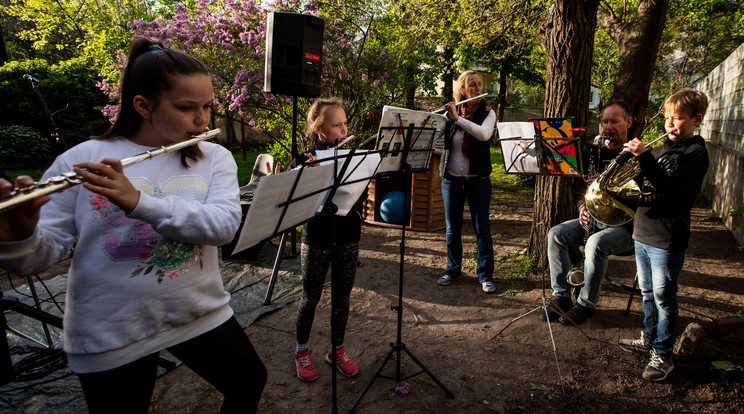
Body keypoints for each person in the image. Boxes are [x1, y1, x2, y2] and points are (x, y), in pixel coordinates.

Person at [0, 37, 267, 413]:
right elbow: (38, 257)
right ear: (143, 105)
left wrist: (141, 203)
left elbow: (223, 227)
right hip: (112, 325)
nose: (203, 119)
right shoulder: (83, 159)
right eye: (187, 107)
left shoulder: (213, 157)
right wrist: (19, 237)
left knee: (249, 380)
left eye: (207, 106)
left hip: (195, 310)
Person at [618, 89, 710, 381]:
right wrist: (622, 163)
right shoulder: (659, 150)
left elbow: (670, 191)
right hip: (643, 232)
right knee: (647, 293)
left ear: (696, 120)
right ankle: (649, 339)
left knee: (663, 298)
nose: (670, 124)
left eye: (678, 119)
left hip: (667, 238)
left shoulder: (695, 154)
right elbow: (640, 184)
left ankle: (664, 355)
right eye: (668, 118)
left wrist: (645, 157)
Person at [540, 101, 636, 325]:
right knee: (555, 234)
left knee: (594, 244)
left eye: (614, 121)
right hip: (592, 220)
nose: (608, 126)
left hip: (623, 226)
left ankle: (586, 304)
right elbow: (578, 188)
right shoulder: (592, 151)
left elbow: (637, 195)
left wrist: (607, 186)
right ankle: (562, 297)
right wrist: (583, 206)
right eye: (604, 121)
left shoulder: (635, 153)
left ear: (628, 122)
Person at [292, 98, 362, 382]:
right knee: (311, 297)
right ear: (319, 129)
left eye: (345, 124)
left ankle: (336, 349)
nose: (343, 131)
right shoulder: (304, 159)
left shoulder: (354, 156)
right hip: (318, 235)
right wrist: (306, 175)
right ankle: (302, 351)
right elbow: (295, 203)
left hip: (348, 232)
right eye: (336, 125)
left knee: (342, 298)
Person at [436, 70, 497, 293]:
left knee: (482, 228)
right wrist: (430, 121)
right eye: (472, 85)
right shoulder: (451, 114)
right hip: (451, 180)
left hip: (478, 181)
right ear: (462, 90)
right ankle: (452, 270)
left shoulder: (488, 113)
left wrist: (457, 119)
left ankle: (485, 275)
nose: (478, 89)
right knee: (453, 229)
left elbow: (484, 135)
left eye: (479, 85)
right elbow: (436, 138)